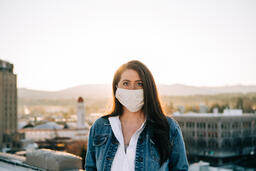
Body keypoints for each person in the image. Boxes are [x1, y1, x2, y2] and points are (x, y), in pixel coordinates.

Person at [85, 60, 188, 171]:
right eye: (126, 83)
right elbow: (90, 168)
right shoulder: (100, 126)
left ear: (148, 88)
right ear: (116, 87)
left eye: (139, 84)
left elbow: (180, 168)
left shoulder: (169, 127)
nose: (132, 89)